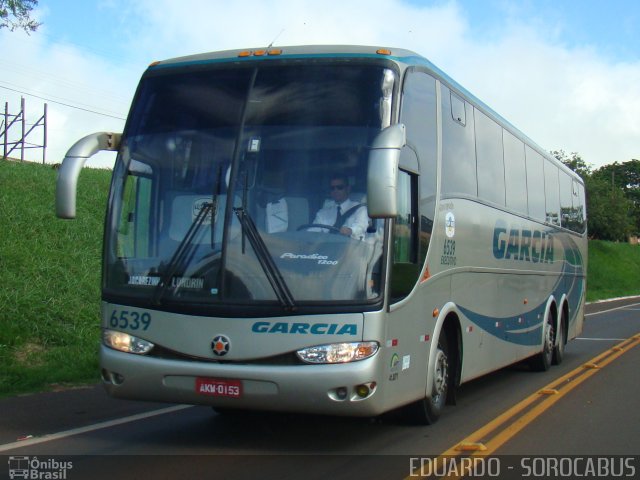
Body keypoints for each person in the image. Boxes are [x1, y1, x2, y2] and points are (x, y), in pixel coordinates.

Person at [311, 174, 369, 239]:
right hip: (327, 248)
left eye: (340, 187)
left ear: (348, 189)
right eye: (332, 188)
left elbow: (361, 227)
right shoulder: (323, 213)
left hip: (350, 247)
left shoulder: (360, 209)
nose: (335, 191)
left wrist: (350, 230)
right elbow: (313, 233)